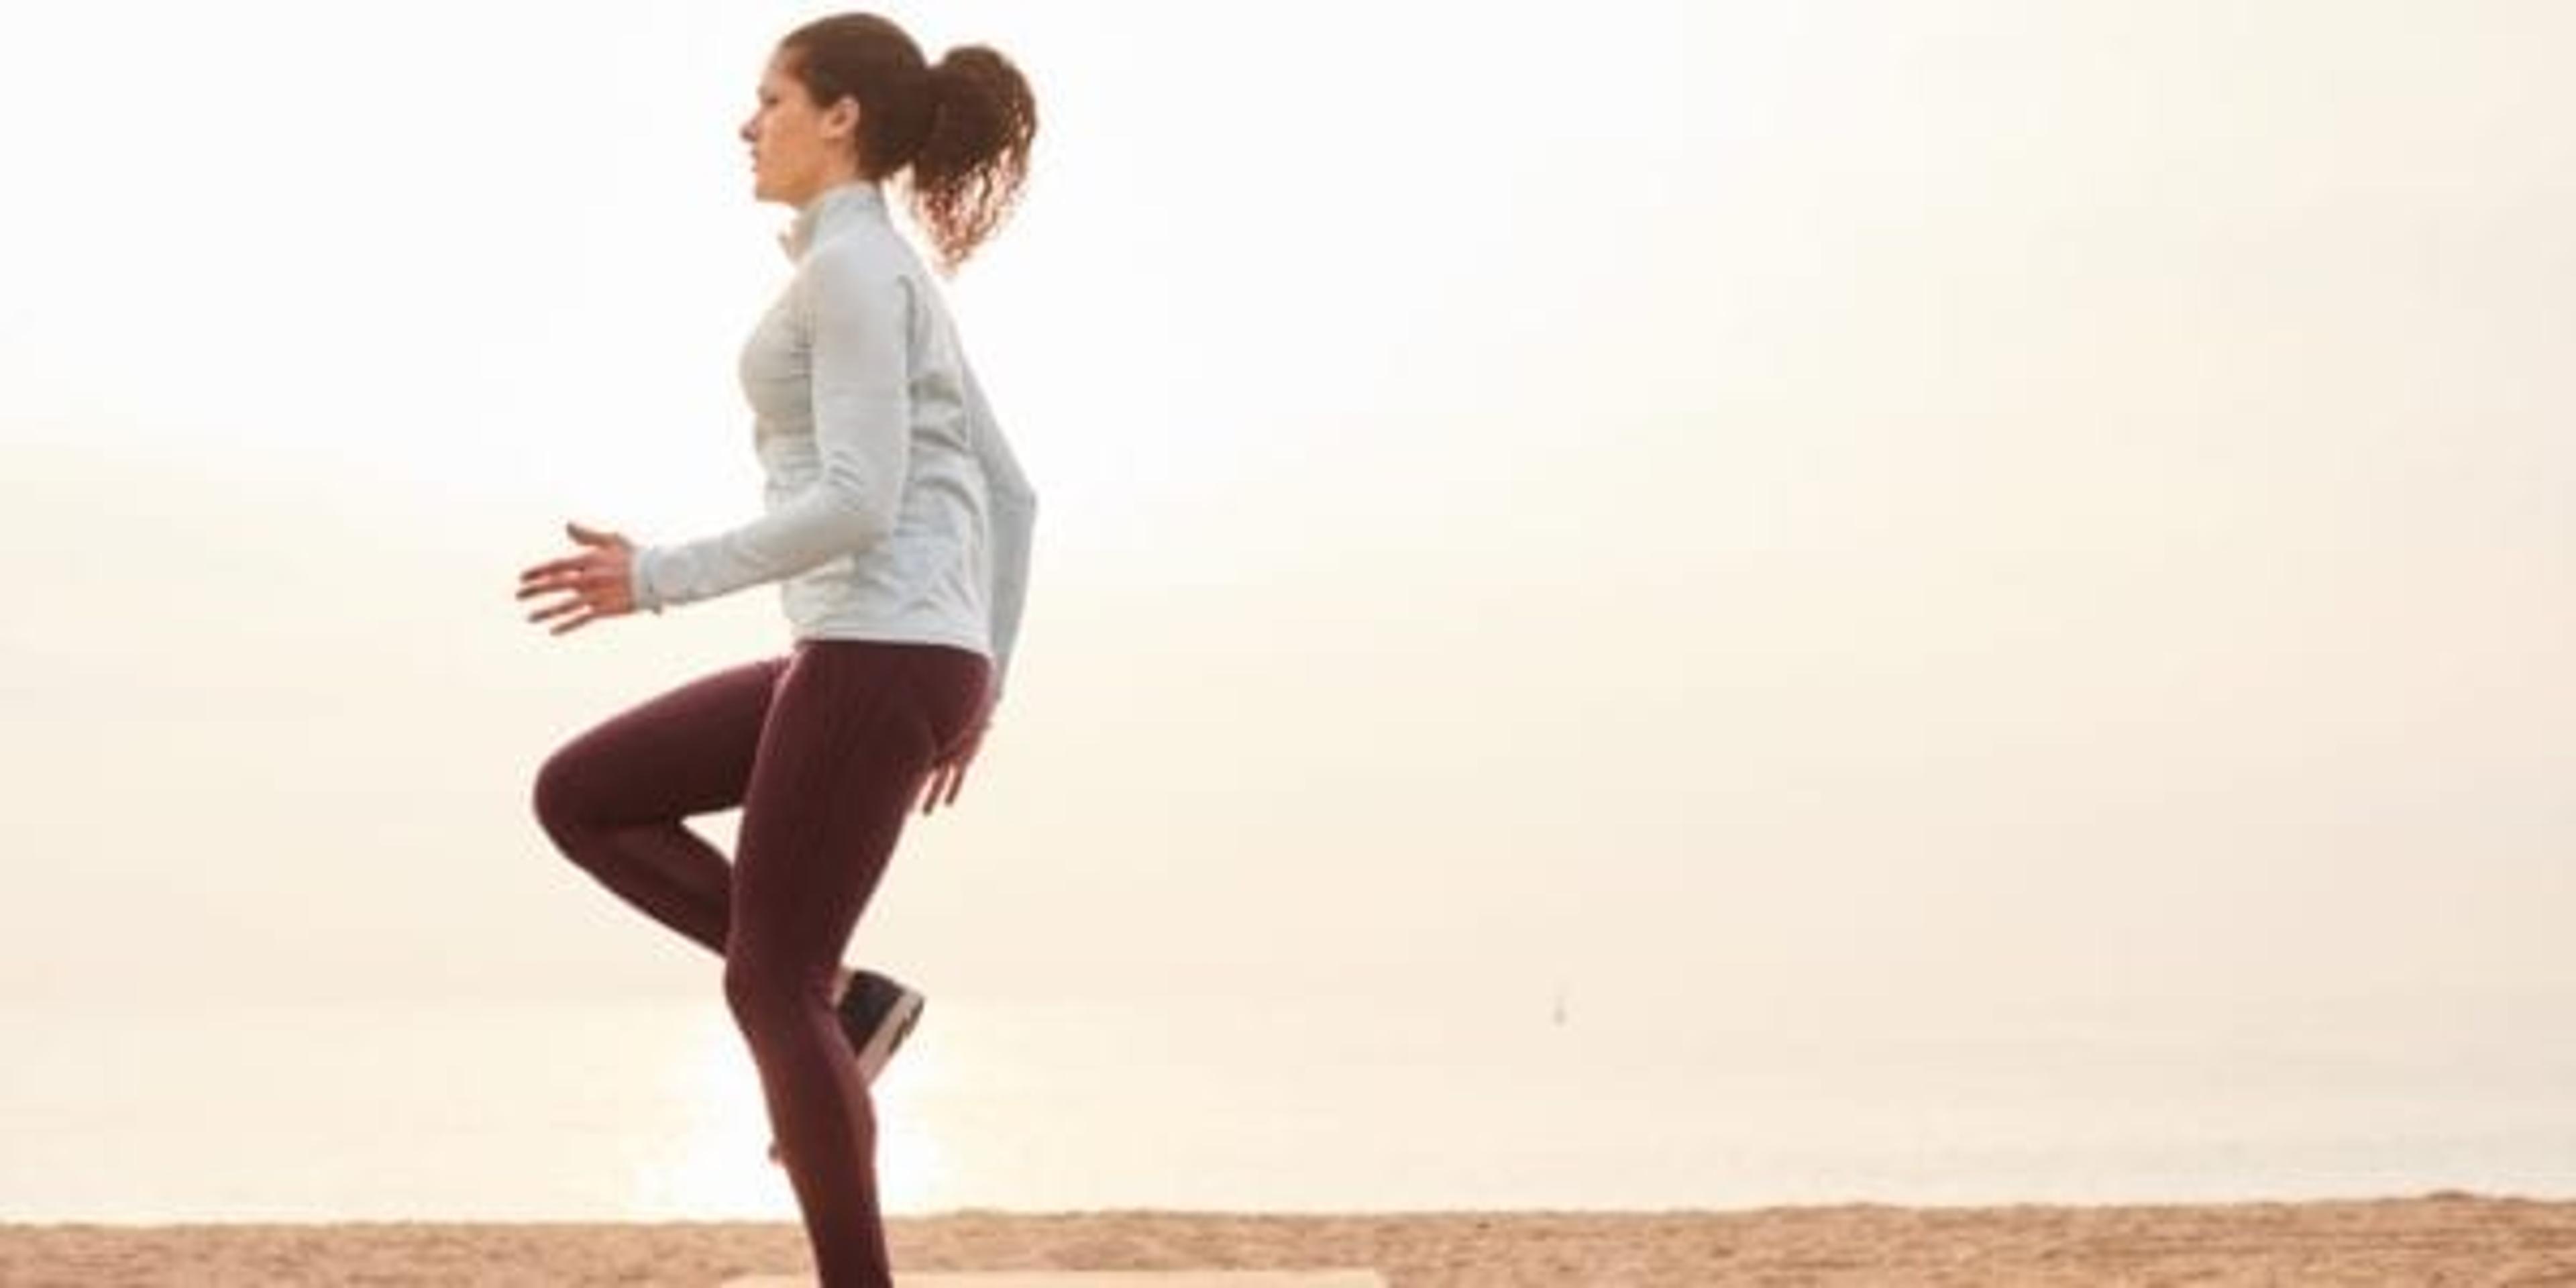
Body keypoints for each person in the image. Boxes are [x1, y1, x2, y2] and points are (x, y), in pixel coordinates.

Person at [515, 13, 1037, 1286]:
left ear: (840, 116)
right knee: (584, 796)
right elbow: (1014, 496)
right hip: (886, 652)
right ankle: (849, 1003)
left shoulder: (858, 276)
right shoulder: (880, 273)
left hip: (876, 648)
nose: (748, 125)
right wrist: (985, 675)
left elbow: (860, 501)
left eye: (771, 99)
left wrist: (655, 578)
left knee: (769, 985)